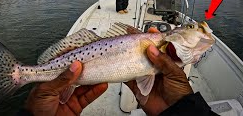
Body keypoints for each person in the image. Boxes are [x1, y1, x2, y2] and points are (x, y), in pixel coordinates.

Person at [18, 28, 218, 116]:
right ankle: (23, 74)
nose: (197, 31)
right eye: (191, 27)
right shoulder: (157, 43)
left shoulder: (160, 56)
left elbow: (145, 84)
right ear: (173, 37)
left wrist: (176, 108)